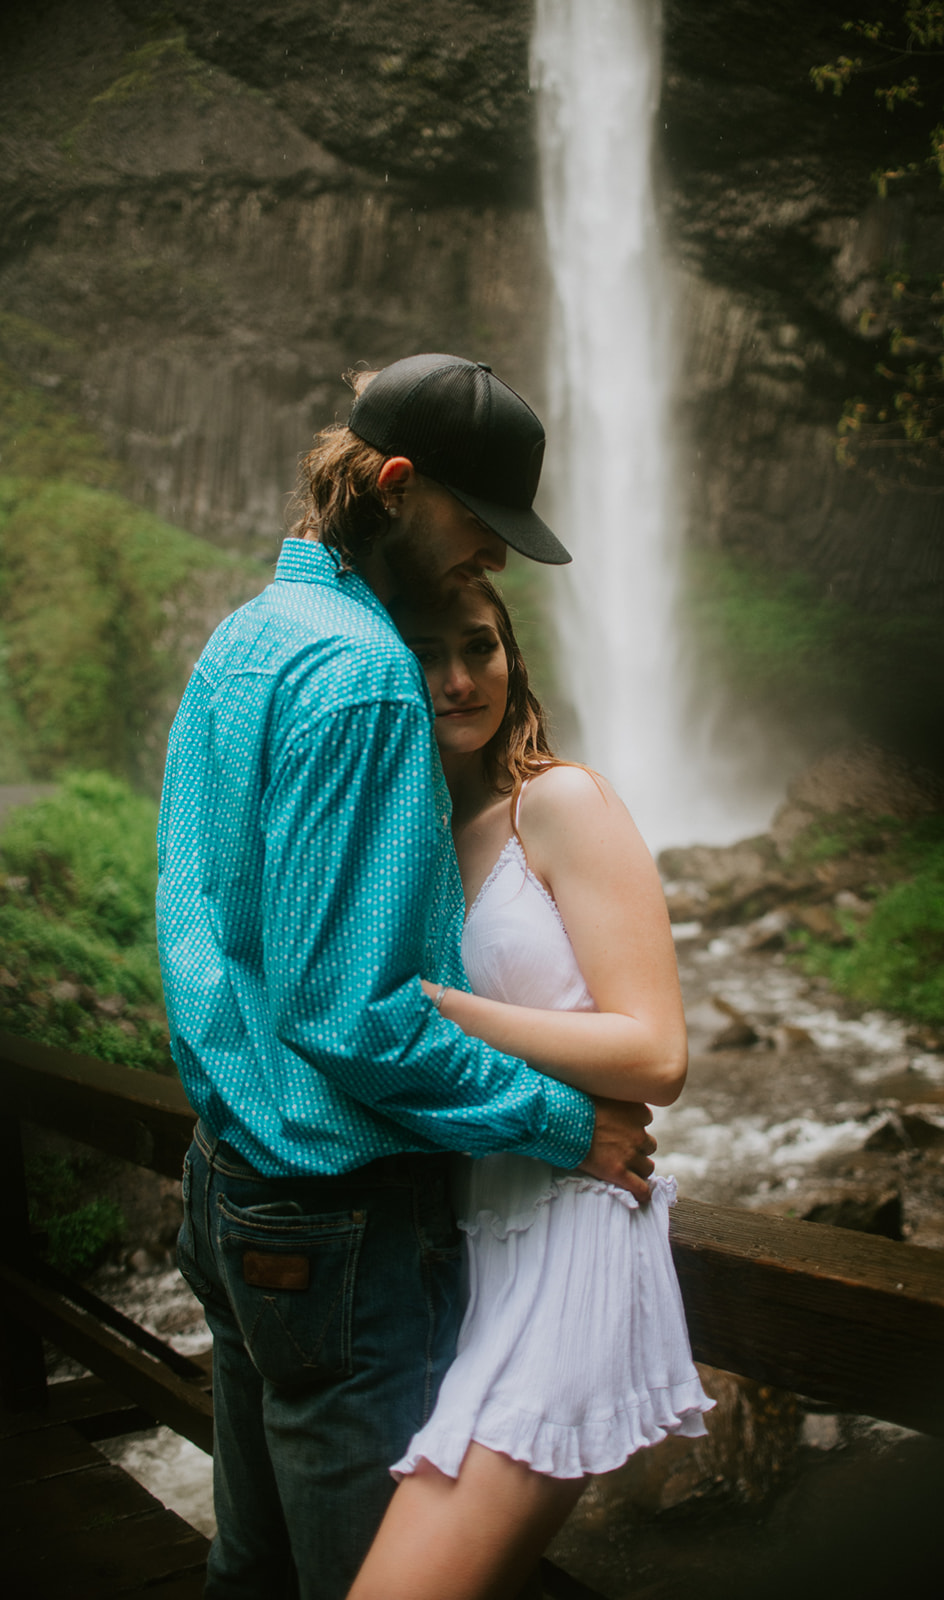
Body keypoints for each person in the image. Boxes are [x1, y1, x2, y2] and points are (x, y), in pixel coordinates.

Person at [155, 353, 656, 1600]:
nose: (489, 561)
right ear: (394, 484)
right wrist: (560, 1126)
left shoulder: (249, 635)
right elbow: (352, 1015)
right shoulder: (369, 676)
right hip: (338, 1218)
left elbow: (194, 914)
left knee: (249, 1566)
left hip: (226, 1183)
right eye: (482, 531)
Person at [348, 578, 713, 1600]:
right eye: (430, 653)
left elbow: (655, 1055)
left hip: (572, 1239)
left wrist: (435, 1008)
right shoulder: (417, 849)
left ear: (515, 658)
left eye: (482, 646)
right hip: (477, 1251)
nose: (463, 678)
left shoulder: (557, 803)